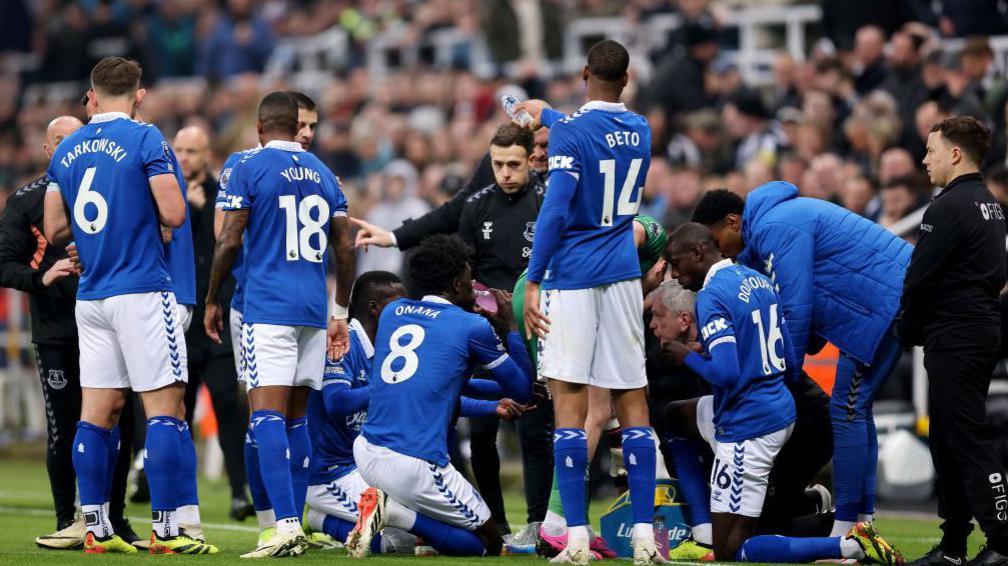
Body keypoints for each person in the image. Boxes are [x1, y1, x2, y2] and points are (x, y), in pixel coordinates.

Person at [42, 56, 215, 555]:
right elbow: (175, 213)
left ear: (93, 93)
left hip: (91, 296)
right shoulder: (145, 138)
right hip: (140, 290)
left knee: (96, 414)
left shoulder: (67, 148)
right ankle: (168, 531)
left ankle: (96, 527)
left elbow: (54, 229)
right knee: (165, 411)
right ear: (139, 95)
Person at [660, 224, 902, 564]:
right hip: (780, 410)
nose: (675, 274)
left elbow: (726, 374)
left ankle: (851, 546)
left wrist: (686, 356)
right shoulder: (757, 279)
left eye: (676, 262)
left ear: (697, 253)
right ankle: (818, 518)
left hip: (747, 424)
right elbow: (790, 356)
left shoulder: (712, 296)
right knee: (677, 416)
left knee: (729, 549)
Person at [516, 39, 662, 565]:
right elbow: (595, 130)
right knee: (632, 403)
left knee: (570, 406)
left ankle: (575, 537)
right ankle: (645, 539)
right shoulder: (641, 129)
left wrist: (535, 279)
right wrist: (548, 114)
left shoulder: (570, 134)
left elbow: (555, 209)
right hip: (623, 277)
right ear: (626, 78)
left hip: (573, 278)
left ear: (583, 74)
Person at [205, 91, 354, 558]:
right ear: (297, 126)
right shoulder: (324, 172)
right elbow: (346, 247)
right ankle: (289, 524)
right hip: (312, 307)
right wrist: (340, 312)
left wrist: (212, 297)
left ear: (260, 127)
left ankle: (283, 525)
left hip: (265, 306)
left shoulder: (249, 167)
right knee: (296, 419)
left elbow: (228, 239)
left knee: (265, 415)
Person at [304, 270, 527, 554]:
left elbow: (436, 391)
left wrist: (493, 405)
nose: (406, 309)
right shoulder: (344, 342)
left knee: (424, 536)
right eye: (398, 302)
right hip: (333, 472)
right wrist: (389, 384)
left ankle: (354, 514)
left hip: (369, 463)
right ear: (374, 308)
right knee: (395, 543)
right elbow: (337, 404)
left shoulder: (388, 344)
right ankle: (320, 518)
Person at [0, 115, 144, 549]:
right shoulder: (25, 201)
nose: (68, 147)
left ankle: (114, 518)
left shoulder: (113, 187)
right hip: (58, 332)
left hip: (112, 323)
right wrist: (40, 277)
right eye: (59, 141)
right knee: (64, 427)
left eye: (75, 139)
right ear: (47, 150)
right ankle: (68, 520)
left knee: (121, 422)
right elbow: (3, 262)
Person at [509, 213, 667, 558]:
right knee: (593, 411)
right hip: (566, 290)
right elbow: (632, 232)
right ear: (663, 265)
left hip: (543, 287)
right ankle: (558, 524)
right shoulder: (651, 232)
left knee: (585, 411)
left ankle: (575, 524)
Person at [898, 117, 1008, 566]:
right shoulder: (991, 205)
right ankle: (953, 545)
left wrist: (905, 327)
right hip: (979, 329)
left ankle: (1002, 540)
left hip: (956, 336)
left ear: (956, 154)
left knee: (965, 438)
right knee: (948, 439)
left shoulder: (947, 207)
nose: (925, 160)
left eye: (931, 150)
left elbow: (918, 277)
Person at [173, 125, 253, 522]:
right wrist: (186, 208)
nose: (184, 157)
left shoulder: (226, 193)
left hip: (216, 317)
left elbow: (228, 245)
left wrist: (203, 210)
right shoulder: (163, 193)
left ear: (207, 155)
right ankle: (174, 494)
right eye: (179, 150)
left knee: (227, 405)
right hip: (180, 319)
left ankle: (239, 492)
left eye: (192, 150)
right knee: (176, 411)